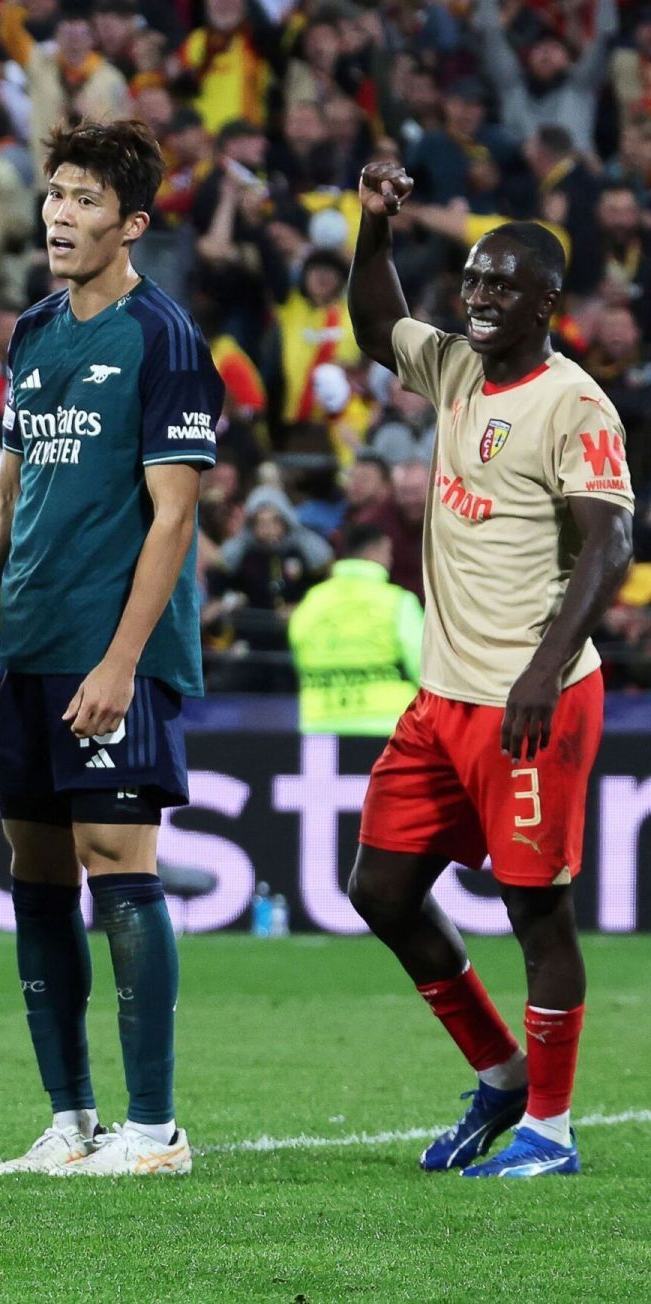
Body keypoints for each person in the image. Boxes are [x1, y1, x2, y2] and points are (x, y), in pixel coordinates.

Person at [344, 160, 634, 1178]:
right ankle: (501, 1074)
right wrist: (373, 230)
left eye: (500, 285)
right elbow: (379, 327)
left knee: (535, 908)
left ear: (546, 303)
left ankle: (550, 1129)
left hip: (531, 699)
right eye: (470, 279)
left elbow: (610, 546)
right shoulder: (460, 368)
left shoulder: (574, 405)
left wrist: (544, 671)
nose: (475, 297)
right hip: (442, 700)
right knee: (379, 888)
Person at [0, 118, 224, 1178]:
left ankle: (154, 1130)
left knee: (121, 866)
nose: (61, 214)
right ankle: (70, 1120)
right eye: (55, 193)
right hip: (30, 648)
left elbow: (173, 518)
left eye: (86, 200)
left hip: (116, 653)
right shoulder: (31, 332)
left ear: (134, 223)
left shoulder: (164, 337)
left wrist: (120, 662)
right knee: (36, 871)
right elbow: (8, 491)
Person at [287, 523, 423, 736]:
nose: (391, 560)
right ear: (374, 551)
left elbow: (298, 657)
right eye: (388, 552)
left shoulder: (310, 602)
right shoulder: (398, 602)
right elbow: (424, 667)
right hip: (386, 728)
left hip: (320, 727)